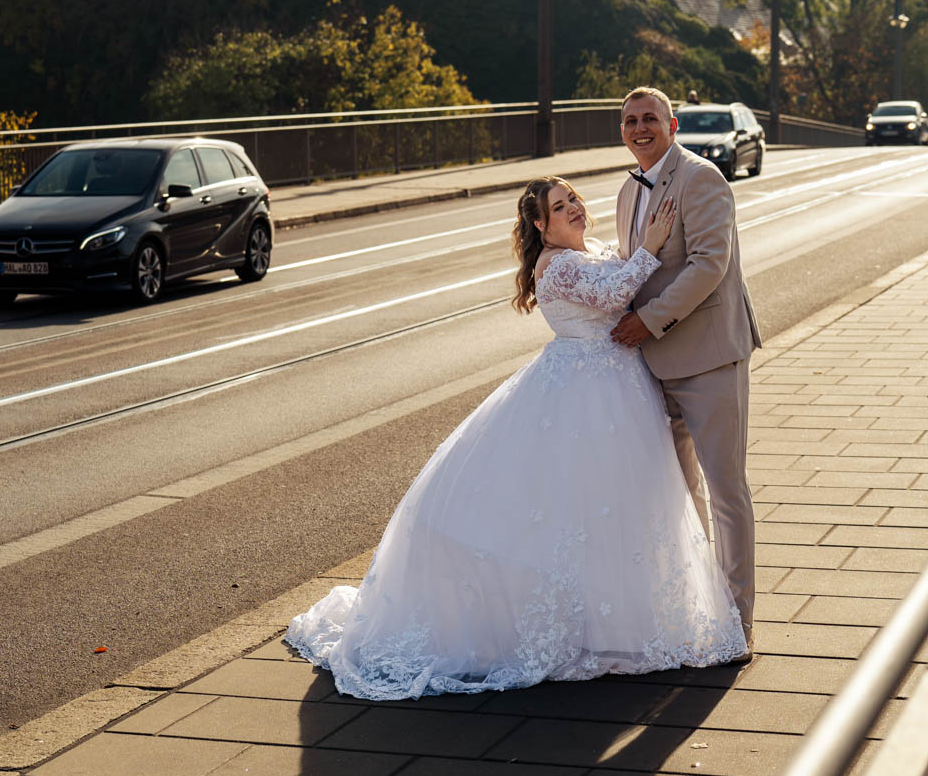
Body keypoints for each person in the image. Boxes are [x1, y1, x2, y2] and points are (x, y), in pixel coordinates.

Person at [285, 176, 748, 700]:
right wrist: (651, 246)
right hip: (582, 392)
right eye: (559, 205)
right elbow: (616, 294)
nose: (573, 207)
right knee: (575, 508)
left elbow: (622, 287)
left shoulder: (592, 249)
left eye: (573, 198)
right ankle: (582, 629)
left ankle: (617, 619)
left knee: (618, 508)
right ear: (539, 224)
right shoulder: (553, 265)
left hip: (619, 388)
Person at [612, 86, 761, 648]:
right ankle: (700, 609)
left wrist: (647, 320)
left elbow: (708, 264)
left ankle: (738, 625)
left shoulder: (702, 178)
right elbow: (633, 267)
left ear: (672, 124)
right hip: (651, 365)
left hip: (709, 357)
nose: (640, 128)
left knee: (726, 491)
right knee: (677, 491)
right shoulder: (629, 190)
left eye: (650, 118)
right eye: (630, 120)